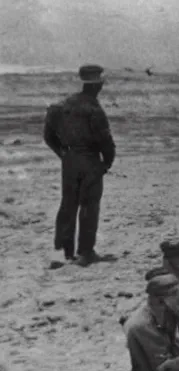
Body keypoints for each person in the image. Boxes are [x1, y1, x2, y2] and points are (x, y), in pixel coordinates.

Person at [43, 64, 116, 266]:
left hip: (70, 161)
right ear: (97, 85)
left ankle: (61, 252)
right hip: (91, 161)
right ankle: (85, 252)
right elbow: (106, 142)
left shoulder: (61, 106)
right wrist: (106, 163)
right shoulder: (94, 109)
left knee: (67, 205)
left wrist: (64, 154)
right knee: (89, 207)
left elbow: (48, 137)